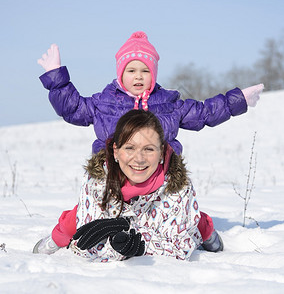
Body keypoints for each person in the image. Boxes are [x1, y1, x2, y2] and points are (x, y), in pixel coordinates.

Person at [33, 109, 223, 261]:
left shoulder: (177, 186)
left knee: (196, 222)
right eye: (130, 148)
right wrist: (117, 240)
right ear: (115, 151)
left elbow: (180, 248)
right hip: (116, 216)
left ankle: (207, 229)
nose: (139, 159)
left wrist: (135, 245)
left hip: (165, 215)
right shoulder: (97, 183)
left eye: (148, 149)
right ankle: (55, 238)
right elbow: (84, 250)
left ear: (161, 152)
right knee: (72, 224)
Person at [37, 31, 264, 156]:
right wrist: (57, 79)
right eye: (131, 70)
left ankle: (199, 227)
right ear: (120, 74)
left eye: (145, 71)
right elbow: (73, 108)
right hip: (113, 171)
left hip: (159, 173)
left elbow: (204, 113)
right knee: (96, 189)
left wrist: (238, 100)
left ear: (153, 74)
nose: (138, 76)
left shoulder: (168, 104)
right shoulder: (103, 103)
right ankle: (85, 227)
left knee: (180, 191)